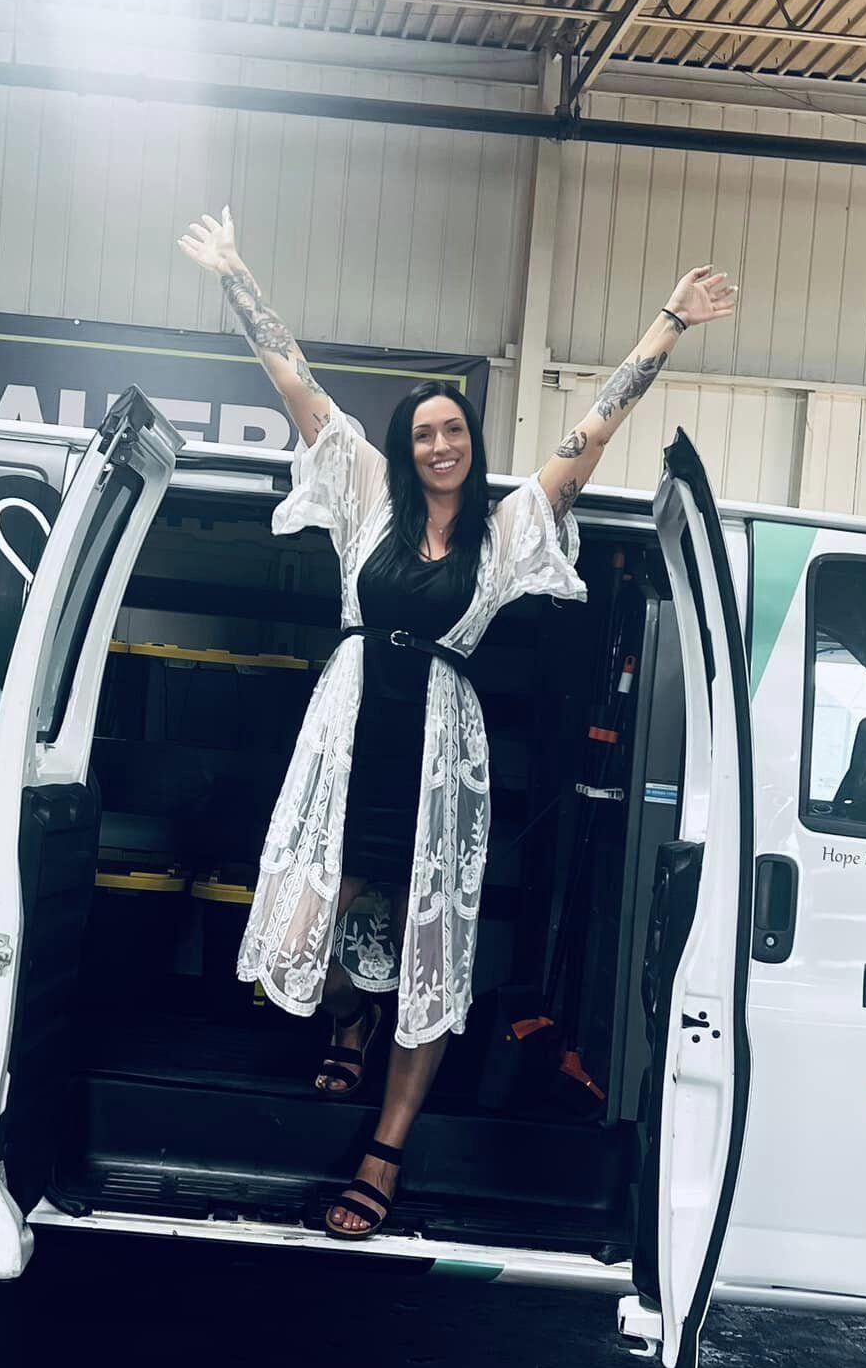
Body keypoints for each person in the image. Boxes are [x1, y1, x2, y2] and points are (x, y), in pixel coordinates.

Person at [176, 207, 736, 1241]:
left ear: (473, 446)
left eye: (455, 432)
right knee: (302, 936)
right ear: (406, 444)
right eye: (425, 432)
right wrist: (234, 274)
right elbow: (295, 381)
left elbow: (595, 429)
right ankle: (350, 1016)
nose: (440, 444)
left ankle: (384, 1153)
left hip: (437, 753)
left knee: (428, 955)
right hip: (350, 739)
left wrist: (669, 320)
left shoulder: (510, 524)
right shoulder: (367, 496)